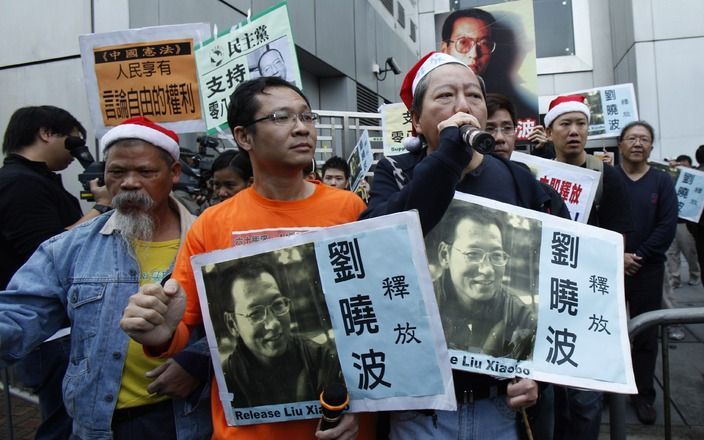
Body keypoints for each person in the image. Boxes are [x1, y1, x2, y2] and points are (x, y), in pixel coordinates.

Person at [121, 77, 374, 440]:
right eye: (282, 118)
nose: (301, 128)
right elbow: (179, 325)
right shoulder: (213, 224)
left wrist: (364, 406)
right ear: (244, 137)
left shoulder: (351, 209)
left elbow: (372, 320)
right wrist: (159, 334)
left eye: (307, 116)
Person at [361, 51, 568, 439]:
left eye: (473, 96)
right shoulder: (394, 173)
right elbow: (379, 245)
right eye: (444, 97)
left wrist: (537, 371)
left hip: (499, 405)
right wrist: (448, 159)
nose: (463, 106)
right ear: (417, 121)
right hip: (422, 408)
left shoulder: (519, 180)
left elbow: (554, 278)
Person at [0, 116, 212, 439]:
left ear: (174, 174)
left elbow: (241, 327)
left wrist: (197, 362)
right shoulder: (70, 248)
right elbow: (19, 313)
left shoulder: (209, 241)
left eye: (145, 172)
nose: (129, 183)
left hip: (185, 420)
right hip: (98, 424)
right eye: (116, 172)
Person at [0, 105, 112, 440]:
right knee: (64, 424)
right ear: (46, 133)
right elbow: (49, 248)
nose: (75, 151)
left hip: (52, 328)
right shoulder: (19, 184)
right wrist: (102, 207)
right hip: (46, 330)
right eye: (72, 140)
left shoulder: (35, 180)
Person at [545, 94, 633, 440]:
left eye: (580, 123)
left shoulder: (607, 178)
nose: (574, 131)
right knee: (550, 397)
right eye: (565, 124)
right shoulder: (537, 173)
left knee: (585, 398)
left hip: (590, 300)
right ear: (549, 131)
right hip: (547, 298)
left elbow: (620, 238)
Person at [616, 121, 678, 425]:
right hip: (611, 268)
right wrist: (618, 256)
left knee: (646, 335)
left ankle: (642, 395)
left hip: (648, 268)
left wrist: (637, 256)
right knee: (608, 331)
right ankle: (609, 391)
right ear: (620, 145)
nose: (638, 143)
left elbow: (667, 226)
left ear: (651, 147)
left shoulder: (662, 182)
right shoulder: (609, 177)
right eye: (632, 138)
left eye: (644, 139)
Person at [220, 259, 340, 407]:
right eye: (255, 313)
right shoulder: (225, 379)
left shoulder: (320, 360)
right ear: (232, 324)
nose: (274, 324)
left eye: (278, 304)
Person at [430, 204, 535, 359]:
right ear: (445, 255)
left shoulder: (519, 315)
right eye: (473, 254)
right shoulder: (421, 304)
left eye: (496, 255)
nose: (487, 270)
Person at [439, 8, 538, 125]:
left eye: (484, 44)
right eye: (463, 42)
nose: (474, 54)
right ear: (445, 49)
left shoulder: (518, 108)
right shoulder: (432, 99)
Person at [665, 155, 700, 289]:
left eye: (685, 165)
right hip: (671, 222)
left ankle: (695, 274)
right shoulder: (673, 178)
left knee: (689, 251)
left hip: (686, 223)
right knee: (672, 253)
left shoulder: (696, 178)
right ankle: (675, 278)